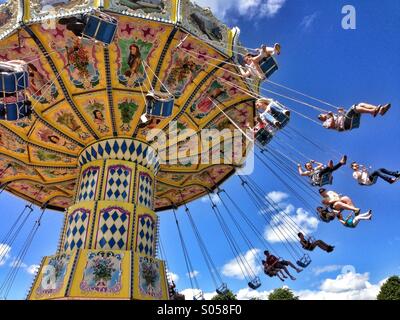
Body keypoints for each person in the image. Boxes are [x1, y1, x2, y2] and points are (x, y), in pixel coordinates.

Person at [318, 103, 391, 132]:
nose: (322, 115)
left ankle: (380, 110)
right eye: (320, 116)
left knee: (360, 104)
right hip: (345, 125)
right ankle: (373, 111)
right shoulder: (324, 123)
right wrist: (331, 117)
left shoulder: (332, 116)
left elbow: (343, 115)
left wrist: (342, 111)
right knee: (354, 108)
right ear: (321, 119)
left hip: (348, 120)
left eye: (321, 114)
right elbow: (332, 125)